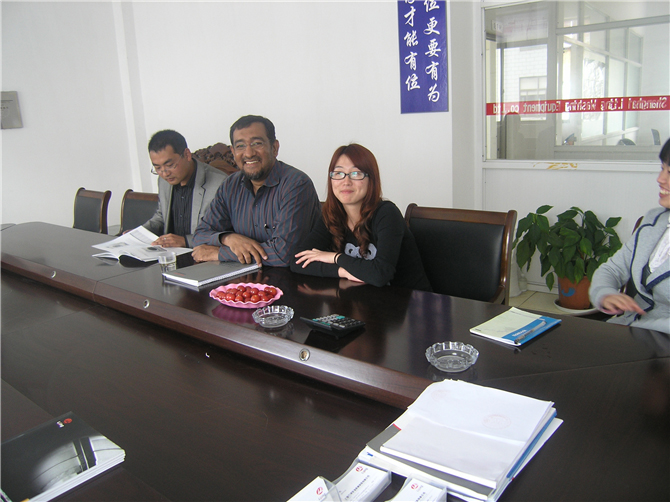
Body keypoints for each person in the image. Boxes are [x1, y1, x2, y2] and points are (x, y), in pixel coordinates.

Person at [290, 144, 431, 291]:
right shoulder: (331, 215)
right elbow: (297, 261)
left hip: (412, 301)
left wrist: (335, 257)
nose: (346, 182)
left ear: (371, 179)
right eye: (338, 173)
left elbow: (380, 274)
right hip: (366, 299)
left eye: (356, 173)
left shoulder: (387, 213)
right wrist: (342, 271)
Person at [191, 115, 321, 266]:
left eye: (257, 143)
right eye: (240, 146)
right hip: (242, 276)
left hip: (293, 277)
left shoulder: (296, 184)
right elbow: (200, 236)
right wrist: (229, 238)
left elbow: (284, 254)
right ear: (233, 151)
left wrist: (219, 253)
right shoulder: (230, 185)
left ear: (274, 148)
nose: (248, 153)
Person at [589, 138, 670, 334]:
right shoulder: (653, 220)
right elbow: (612, 269)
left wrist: (636, 328)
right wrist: (605, 293)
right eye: (662, 168)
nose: (660, 179)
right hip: (629, 334)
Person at [142, 130, 227, 248]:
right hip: (168, 252)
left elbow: (223, 231)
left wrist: (185, 241)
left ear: (187, 155)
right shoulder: (163, 181)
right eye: (158, 168)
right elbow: (161, 217)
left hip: (201, 253)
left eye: (170, 165)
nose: (165, 173)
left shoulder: (220, 183)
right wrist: (139, 234)